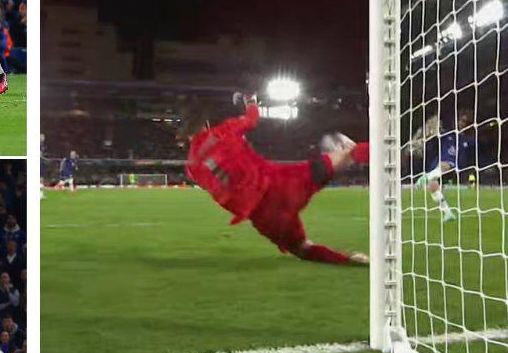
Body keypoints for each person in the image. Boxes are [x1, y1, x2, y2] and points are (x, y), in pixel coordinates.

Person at [184, 93, 370, 265]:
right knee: (348, 155)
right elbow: (252, 119)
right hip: (282, 183)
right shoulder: (222, 131)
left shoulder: (192, 168)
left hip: (264, 215)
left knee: (302, 248)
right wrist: (250, 100)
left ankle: (350, 260)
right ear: (206, 124)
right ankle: (385, 152)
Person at [406, 112, 474, 222]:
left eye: (464, 121)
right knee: (433, 185)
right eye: (460, 121)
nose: (461, 123)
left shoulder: (466, 139)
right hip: (440, 161)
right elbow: (433, 135)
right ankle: (447, 213)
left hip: (454, 163)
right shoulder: (447, 134)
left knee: (444, 166)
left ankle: (427, 177)